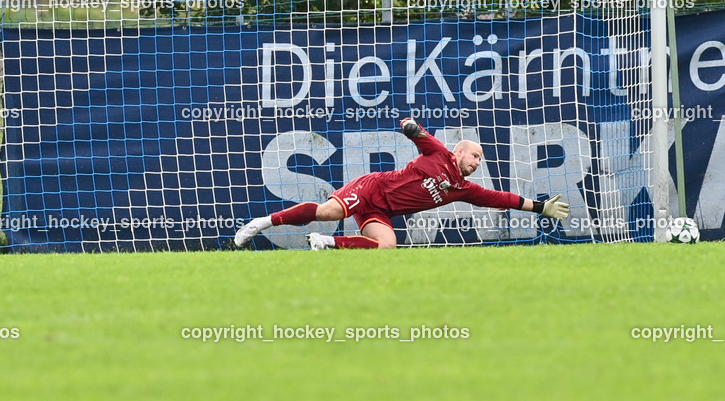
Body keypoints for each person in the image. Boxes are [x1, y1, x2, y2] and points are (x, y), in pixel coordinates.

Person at [234, 117, 568, 250]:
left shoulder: (464, 189)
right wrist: (410, 126)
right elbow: (416, 131)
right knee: (326, 211)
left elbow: (502, 198)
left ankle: (325, 244)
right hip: (370, 188)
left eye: (480, 160)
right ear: (459, 151)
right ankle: (260, 223)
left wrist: (540, 207)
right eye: (475, 156)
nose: (477, 163)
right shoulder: (438, 153)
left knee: (387, 247)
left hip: (382, 210)